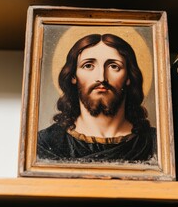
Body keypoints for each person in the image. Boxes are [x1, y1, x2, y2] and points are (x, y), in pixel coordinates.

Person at [37, 33, 156, 163]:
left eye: (113, 66)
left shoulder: (154, 143)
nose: (101, 78)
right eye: (88, 65)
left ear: (128, 77)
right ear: (73, 76)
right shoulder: (46, 142)